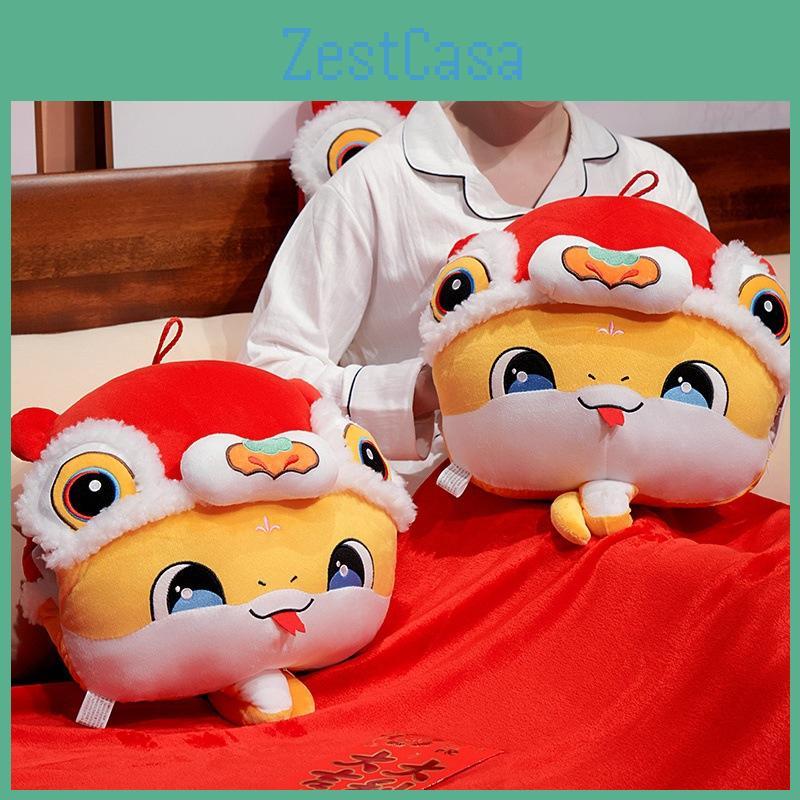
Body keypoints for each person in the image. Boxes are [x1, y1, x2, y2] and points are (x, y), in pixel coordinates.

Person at [241, 101, 709, 490]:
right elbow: (270, 373)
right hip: (445, 511)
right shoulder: (373, 185)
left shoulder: (654, 178)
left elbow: (718, 350)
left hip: (638, 502)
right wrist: (422, 391)